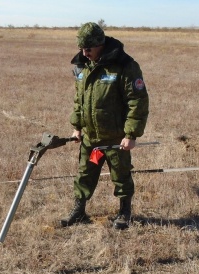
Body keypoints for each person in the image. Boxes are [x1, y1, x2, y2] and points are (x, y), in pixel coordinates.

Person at [60, 22, 149, 230]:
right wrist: (77, 126)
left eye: (88, 48)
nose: (84, 52)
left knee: (121, 175)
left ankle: (124, 212)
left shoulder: (124, 66)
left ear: (100, 44)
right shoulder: (83, 67)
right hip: (91, 139)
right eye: (81, 48)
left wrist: (131, 134)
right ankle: (79, 210)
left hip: (115, 140)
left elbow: (137, 101)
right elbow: (79, 100)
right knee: (85, 173)